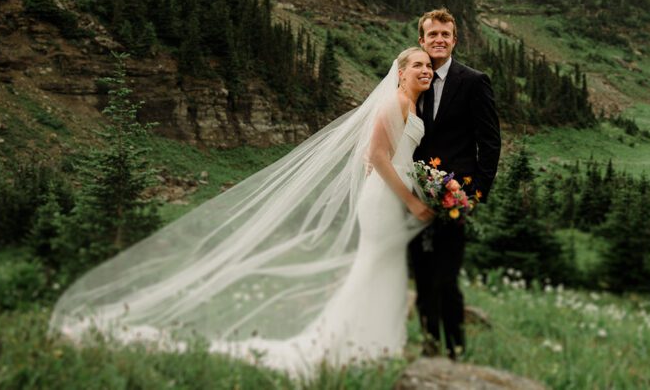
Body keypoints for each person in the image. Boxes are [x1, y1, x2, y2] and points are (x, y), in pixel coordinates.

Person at [49, 48, 436, 378]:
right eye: (416, 65)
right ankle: (356, 345)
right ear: (399, 73)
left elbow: (379, 158)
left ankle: (372, 343)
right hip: (388, 199)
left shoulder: (410, 104)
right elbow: (376, 156)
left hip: (387, 195)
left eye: (428, 66)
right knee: (375, 266)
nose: (424, 70)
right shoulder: (396, 102)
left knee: (383, 267)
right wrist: (413, 200)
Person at [410, 8, 501, 358]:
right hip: (413, 199)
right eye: (432, 34)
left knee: (447, 279)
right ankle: (430, 347)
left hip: (454, 198)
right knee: (422, 276)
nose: (439, 40)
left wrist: (473, 194)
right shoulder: (411, 79)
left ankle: (457, 350)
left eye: (445, 35)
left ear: (454, 41)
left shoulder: (474, 81)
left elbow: (490, 142)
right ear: (422, 40)